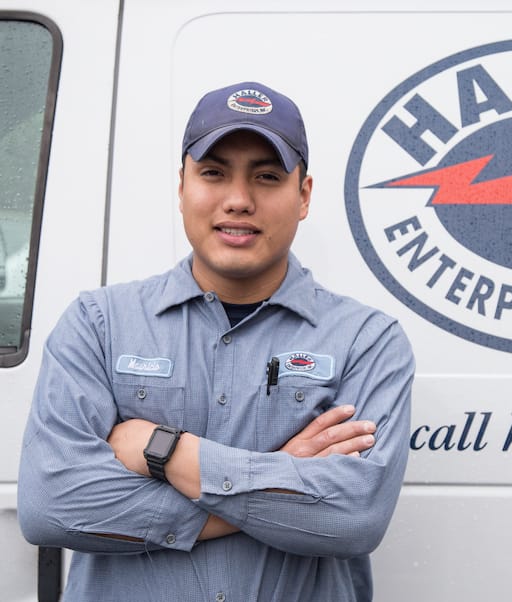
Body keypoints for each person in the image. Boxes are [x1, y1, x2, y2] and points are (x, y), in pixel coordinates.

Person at [17, 81, 414, 601]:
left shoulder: (367, 340)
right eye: (213, 173)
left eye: (267, 176)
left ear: (304, 195)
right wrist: (281, 473)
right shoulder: (98, 325)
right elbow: (53, 506)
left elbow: (353, 517)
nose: (238, 200)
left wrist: (167, 452)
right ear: (182, 185)